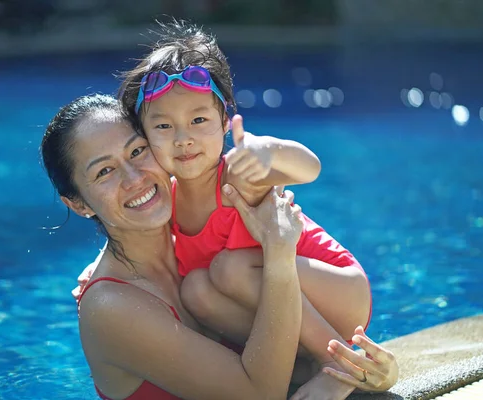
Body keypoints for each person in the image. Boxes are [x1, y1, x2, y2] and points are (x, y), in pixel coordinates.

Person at [117, 20, 372, 398]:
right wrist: (98, 271)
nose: (183, 138)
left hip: (339, 290)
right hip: (291, 309)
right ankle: (300, 365)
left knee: (229, 268)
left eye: (198, 120)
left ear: (224, 122)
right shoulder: (163, 201)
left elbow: (311, 167)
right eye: (164, 126)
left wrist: (267, 151)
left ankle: (338, 363)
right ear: (145, 134)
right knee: (196, 291)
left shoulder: (238, 174)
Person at [42, 94, 304, 399]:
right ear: (77, 204)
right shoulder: (112, 306)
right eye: (104, 171)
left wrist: (352, 369)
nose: (134, 178)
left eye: (138, 151)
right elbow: (260, 396)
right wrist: (280, 255)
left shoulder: (202, 230)